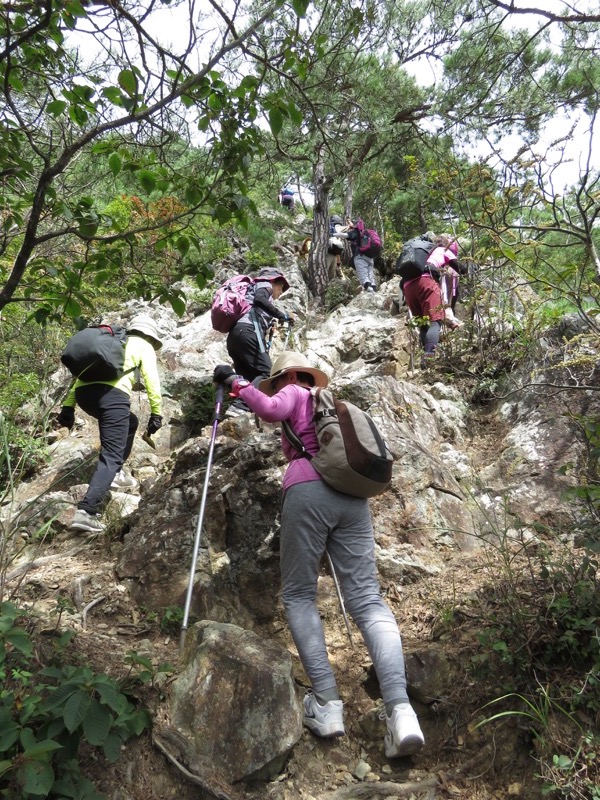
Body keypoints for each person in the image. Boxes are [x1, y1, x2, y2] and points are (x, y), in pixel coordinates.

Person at [212, 352, 425, 758]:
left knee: (298, 595)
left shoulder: (294, 390)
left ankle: (327, 704)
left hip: (308, 491)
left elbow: (271, 409)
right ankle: (401, 711)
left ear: (288, 376)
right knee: (367, 600)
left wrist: (237, 383)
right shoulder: (333, 405)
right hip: (354, 500)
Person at [56, 314, 163, 533]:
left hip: (85, 396)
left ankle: (116, 473)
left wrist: (67, 407)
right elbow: (152, 380)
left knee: (130, 422)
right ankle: (87, 511)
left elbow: (81, 378)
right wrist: (156, 413)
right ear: (151, 336)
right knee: (112, 455)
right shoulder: (144, 346)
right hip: (112, 397)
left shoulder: (114, 342)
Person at [225, 267, 294, 418]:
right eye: (281, 288)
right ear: (274, 281)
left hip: (236, 337)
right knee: (266, 372)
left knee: (249, 378)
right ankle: (240, 405)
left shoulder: (251, 293)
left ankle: (240, 413)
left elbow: (257, 305)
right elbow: (260, 299)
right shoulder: (264, 284)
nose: (280, 293)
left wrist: (270, 324)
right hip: (247, 332)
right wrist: (282, 315)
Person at [402, 234, 460, 361]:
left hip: (407, 287)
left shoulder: (424, 252)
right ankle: (428, 358)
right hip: (426, 282)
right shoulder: (443, 250)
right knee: (434, 323)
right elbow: (461, 269)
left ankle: (425, 359)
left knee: (424, 325)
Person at [337, 218, 377, 293]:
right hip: (370, 257)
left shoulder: (355, 232)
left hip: (360, 256)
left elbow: (343, 235)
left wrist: (333, 233)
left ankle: (369, 290)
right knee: (370, 275)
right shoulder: (367, 233)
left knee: (363, 275)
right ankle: (374, 289)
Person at [326, 214, 345, 282]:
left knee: (326, 272)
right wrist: (339, 263)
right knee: (331, 275)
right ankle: (329, 288)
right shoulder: (337, 233)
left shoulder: (328, 229)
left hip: (328, 253)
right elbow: (338, 250)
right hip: (332, 254)